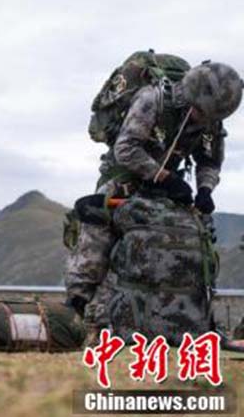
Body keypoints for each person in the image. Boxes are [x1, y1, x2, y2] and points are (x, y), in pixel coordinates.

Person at [65, 61, 242, 337]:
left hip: (165, 188)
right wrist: (164, 177)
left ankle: (178, 316)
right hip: (126, 177)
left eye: (209, 117)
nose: (202, 120)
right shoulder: (153, 100)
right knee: (97, 233)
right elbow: (126, 149)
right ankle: (75, 308)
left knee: (192, 236)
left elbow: (210, 161)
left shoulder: (211, 117)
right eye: (199, 113)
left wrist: (205, 189)